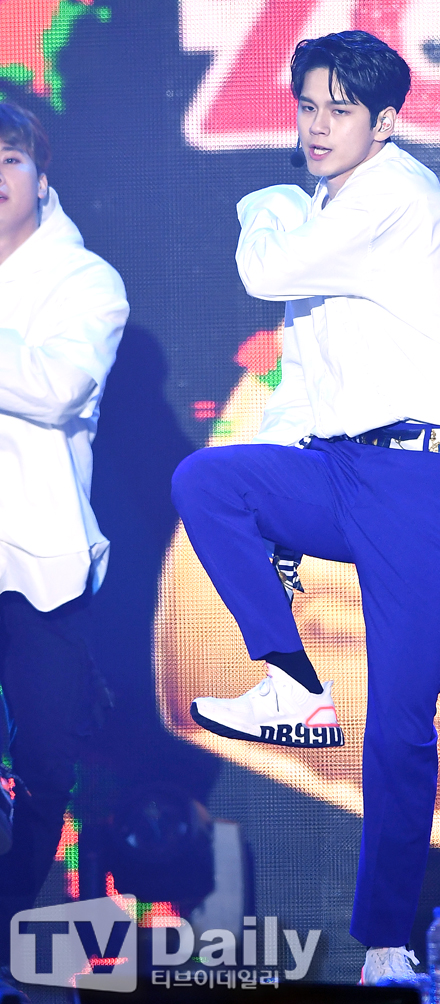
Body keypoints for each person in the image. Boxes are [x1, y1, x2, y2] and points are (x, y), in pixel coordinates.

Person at [171, 29, 440, 985]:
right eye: (307, 106)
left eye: (339, 111)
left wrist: (263, 203)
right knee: (210, 483)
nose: (316, 126)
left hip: (425, 480)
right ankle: (291, 682)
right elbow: (305, 385)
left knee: (399, 724)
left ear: (384, 123)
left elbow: (263, 272)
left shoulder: (396, 192)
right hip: (346, 467)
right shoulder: (325, 213)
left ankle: (387, 944)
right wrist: (275, 512)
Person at [0, 103, 128, 999]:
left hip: (38, 559)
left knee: (47, 764)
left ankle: (14, 915)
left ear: (41, 178)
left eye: (9, 160)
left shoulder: (87, 282)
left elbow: (55, 387)